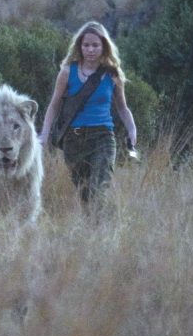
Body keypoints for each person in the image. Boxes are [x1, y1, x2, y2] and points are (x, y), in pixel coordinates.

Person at [38, 21, 137, 206]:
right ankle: (93, 230)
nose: (90, 50)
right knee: (84, 193)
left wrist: (132, 130)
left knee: (99, 188)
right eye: (86, 45)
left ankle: (104, 228)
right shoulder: (67, 72)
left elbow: (123, 108)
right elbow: (54, 106)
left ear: (104, 47)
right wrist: (44, 134)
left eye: (95, 45)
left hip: (103, 137)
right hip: (74, 140)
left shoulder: (112, 74)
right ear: (80, 46)